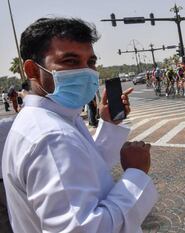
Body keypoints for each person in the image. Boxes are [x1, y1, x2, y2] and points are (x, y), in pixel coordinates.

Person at [2, 17, 158, 233]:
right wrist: (136, 173)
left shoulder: (54, 119)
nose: (87, 72)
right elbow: (85, 228)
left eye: (91, 62)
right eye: (71, 61)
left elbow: (84, 170)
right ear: (32, 70)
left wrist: (109, 124)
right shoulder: (51, 137)